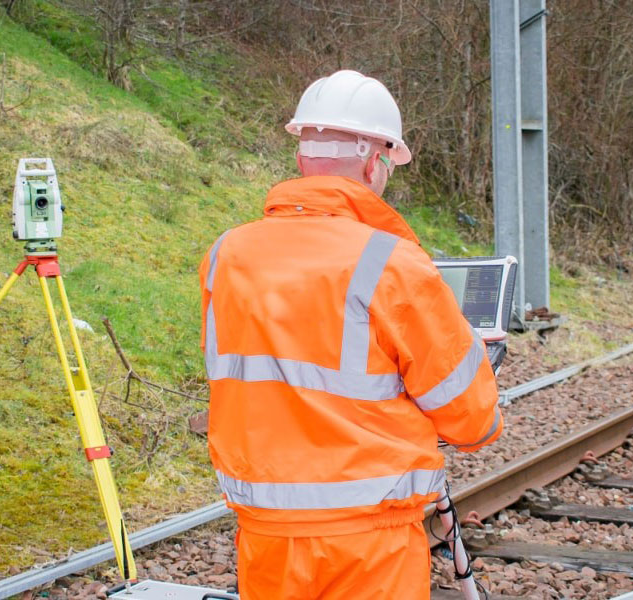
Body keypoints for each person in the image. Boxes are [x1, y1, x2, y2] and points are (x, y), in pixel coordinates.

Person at [198, 70, 502, 600]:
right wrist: (477, 358)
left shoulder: (227, 254)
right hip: (369, 541)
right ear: (374, 160)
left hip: (265, 535)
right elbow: (470, 420)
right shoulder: (392, 263)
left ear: (302, 157)